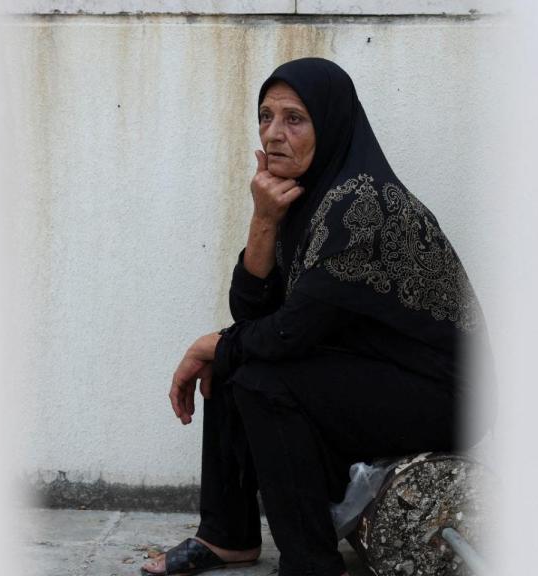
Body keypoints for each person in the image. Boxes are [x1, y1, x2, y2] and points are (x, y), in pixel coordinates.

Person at [143, 57, 492, 576]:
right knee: (237, 362)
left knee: (257, 373)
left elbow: (290, 331)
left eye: (294, 119)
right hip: (377, 373)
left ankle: (310, 564)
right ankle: (227, 536)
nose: (274, 133)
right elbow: (255, 311)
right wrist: (263, 219)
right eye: (265, 116)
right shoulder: (309, 200)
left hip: (447, 396)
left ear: (329, 124)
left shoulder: (362, 202)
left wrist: (210, 344)